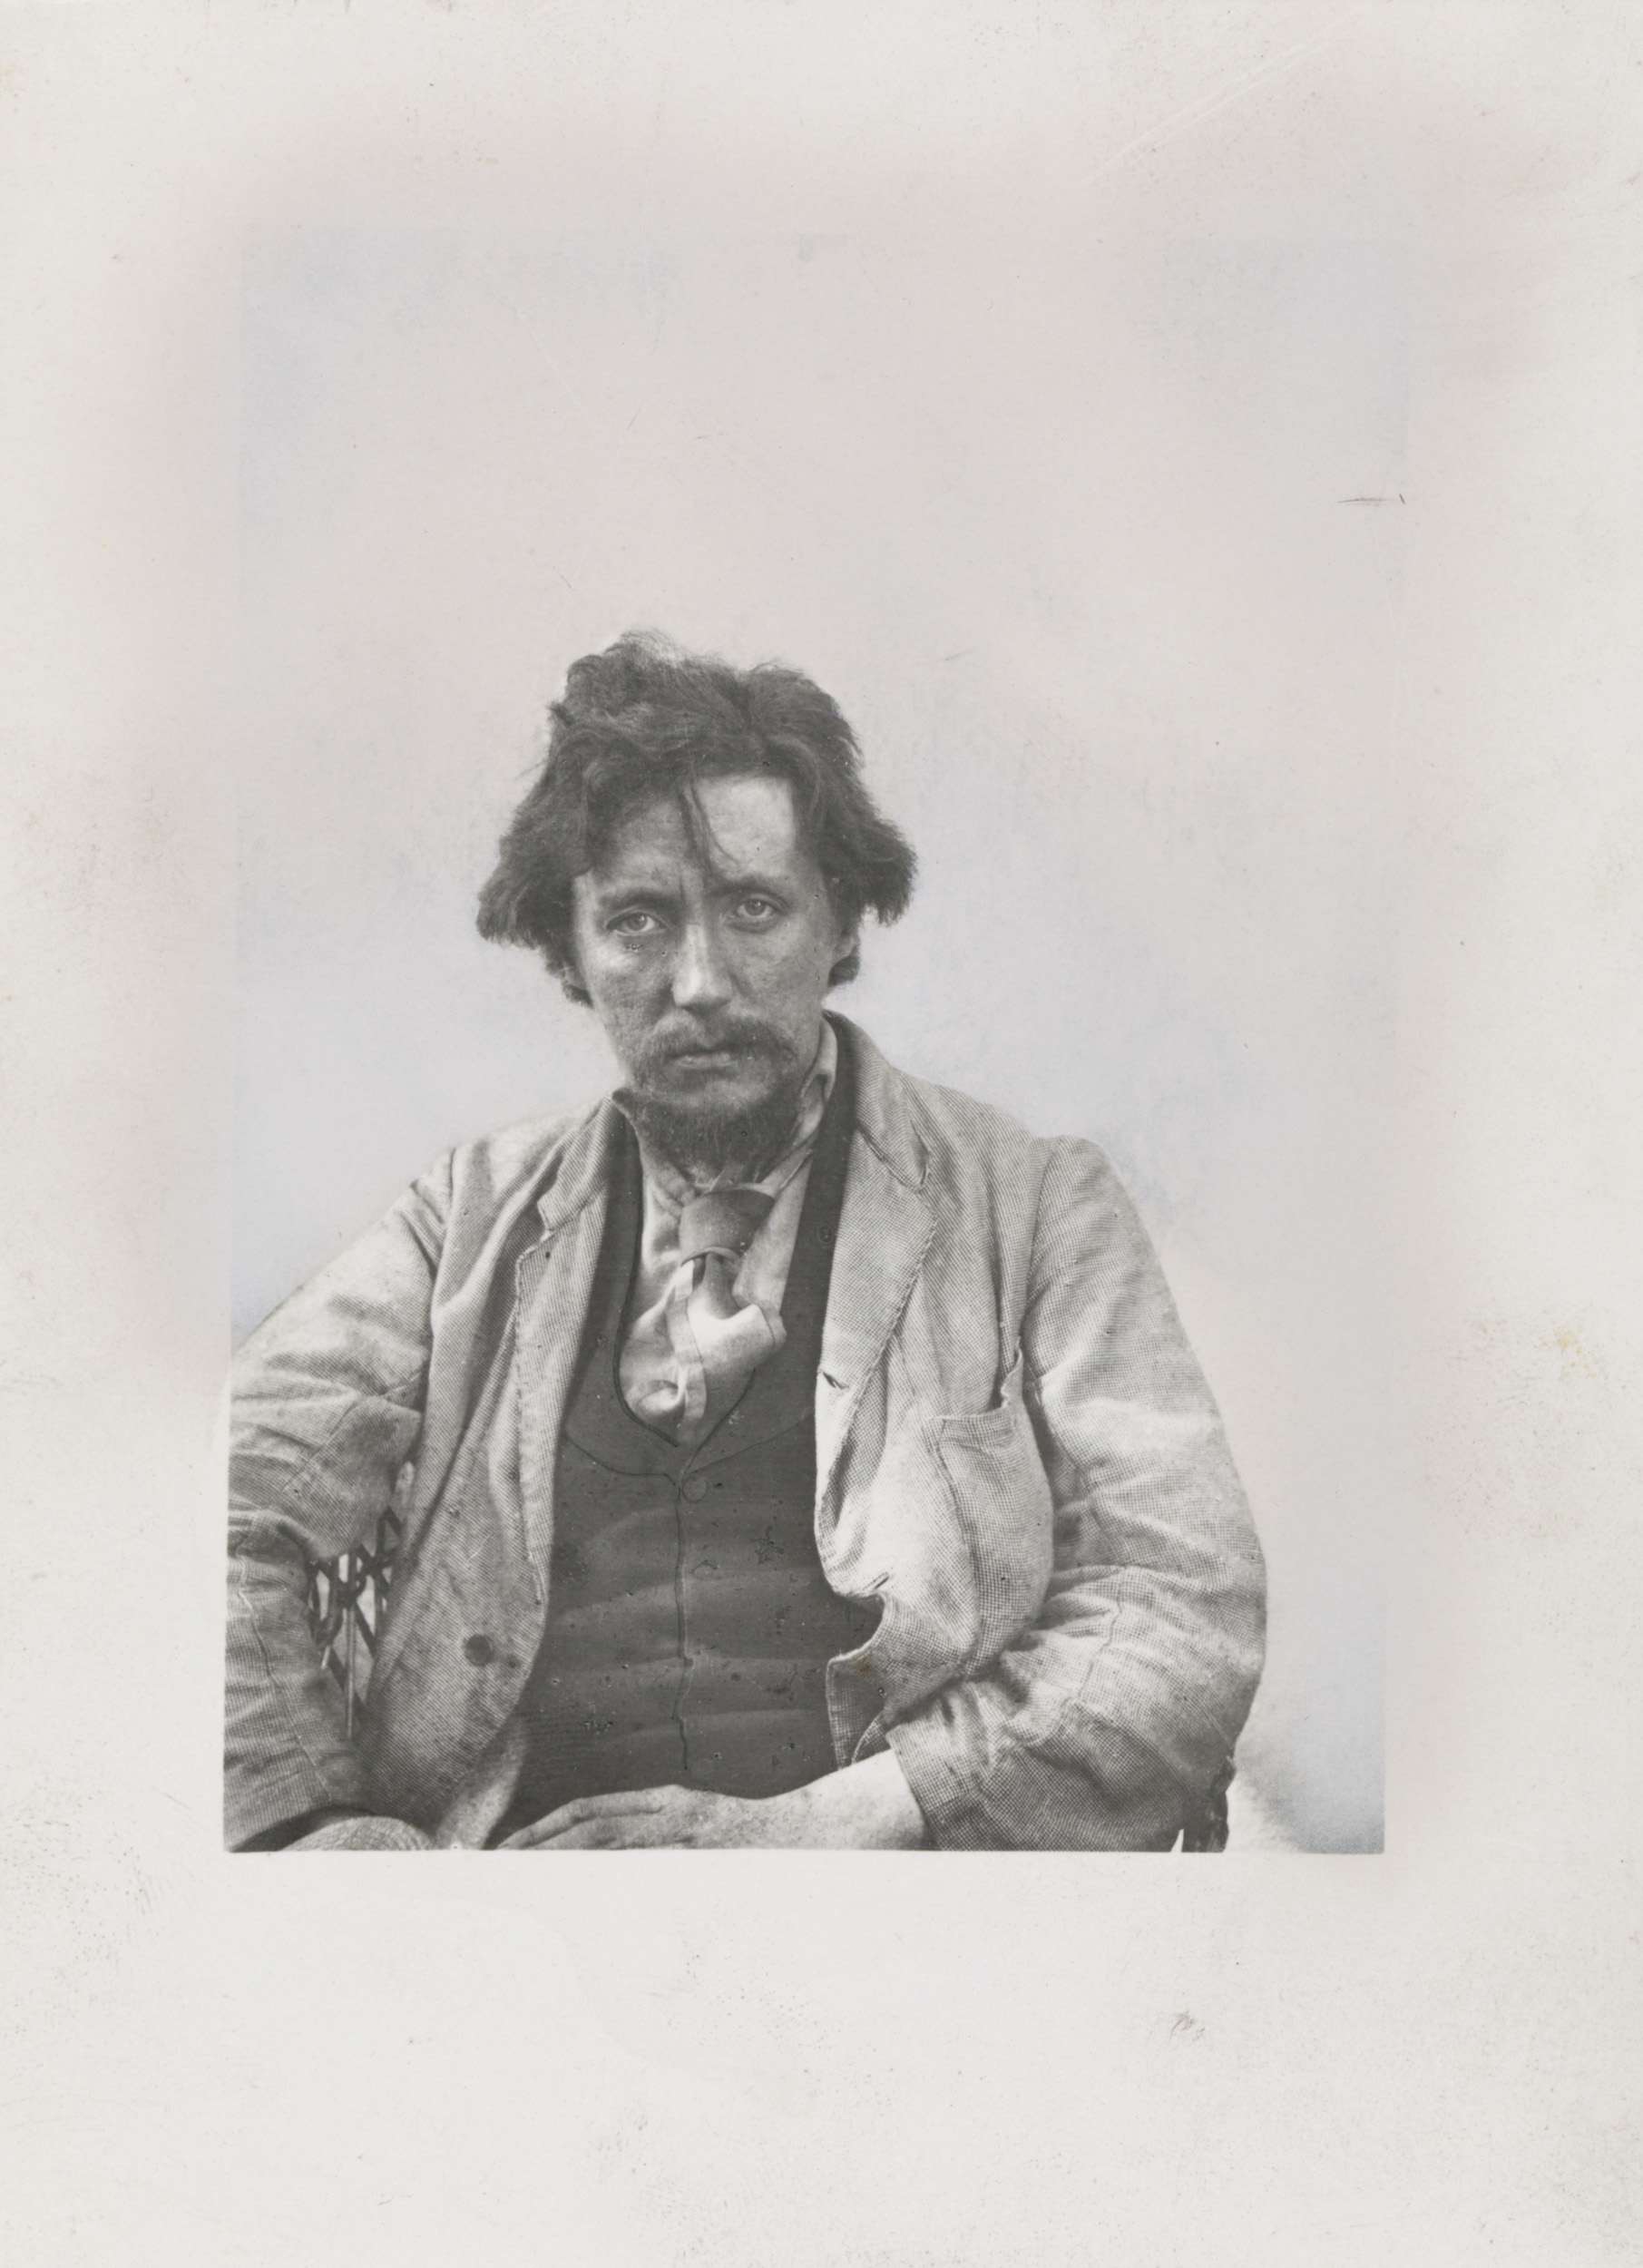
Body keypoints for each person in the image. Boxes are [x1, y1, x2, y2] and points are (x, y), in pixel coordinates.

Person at [225, 632, 1265, 1852]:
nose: (702, 982)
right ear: (570, 956)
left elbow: (1182, 1605)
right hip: (518, 1906)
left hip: (891, 1897)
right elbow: (205, 1505)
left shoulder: (1039, 1211)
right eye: (638, 922)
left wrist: (827, 1827)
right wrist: (319, 1836)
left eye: (755, 908)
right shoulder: (464, 1221)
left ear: (842, 924)